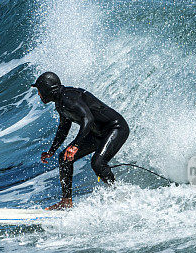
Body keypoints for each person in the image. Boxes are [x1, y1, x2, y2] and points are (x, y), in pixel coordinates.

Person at [33, 72, 130, 210]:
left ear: (47, 88)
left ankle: (119, 195)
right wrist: (52, 150)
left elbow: (88, 119)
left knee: (97, 163)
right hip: (98, 133)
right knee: (64, 158)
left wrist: (75, 146)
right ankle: (66, 201)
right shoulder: (61, 103)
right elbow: (63, 128)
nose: (38, 94)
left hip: (115, 128)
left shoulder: (69, 98)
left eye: (39, 90)